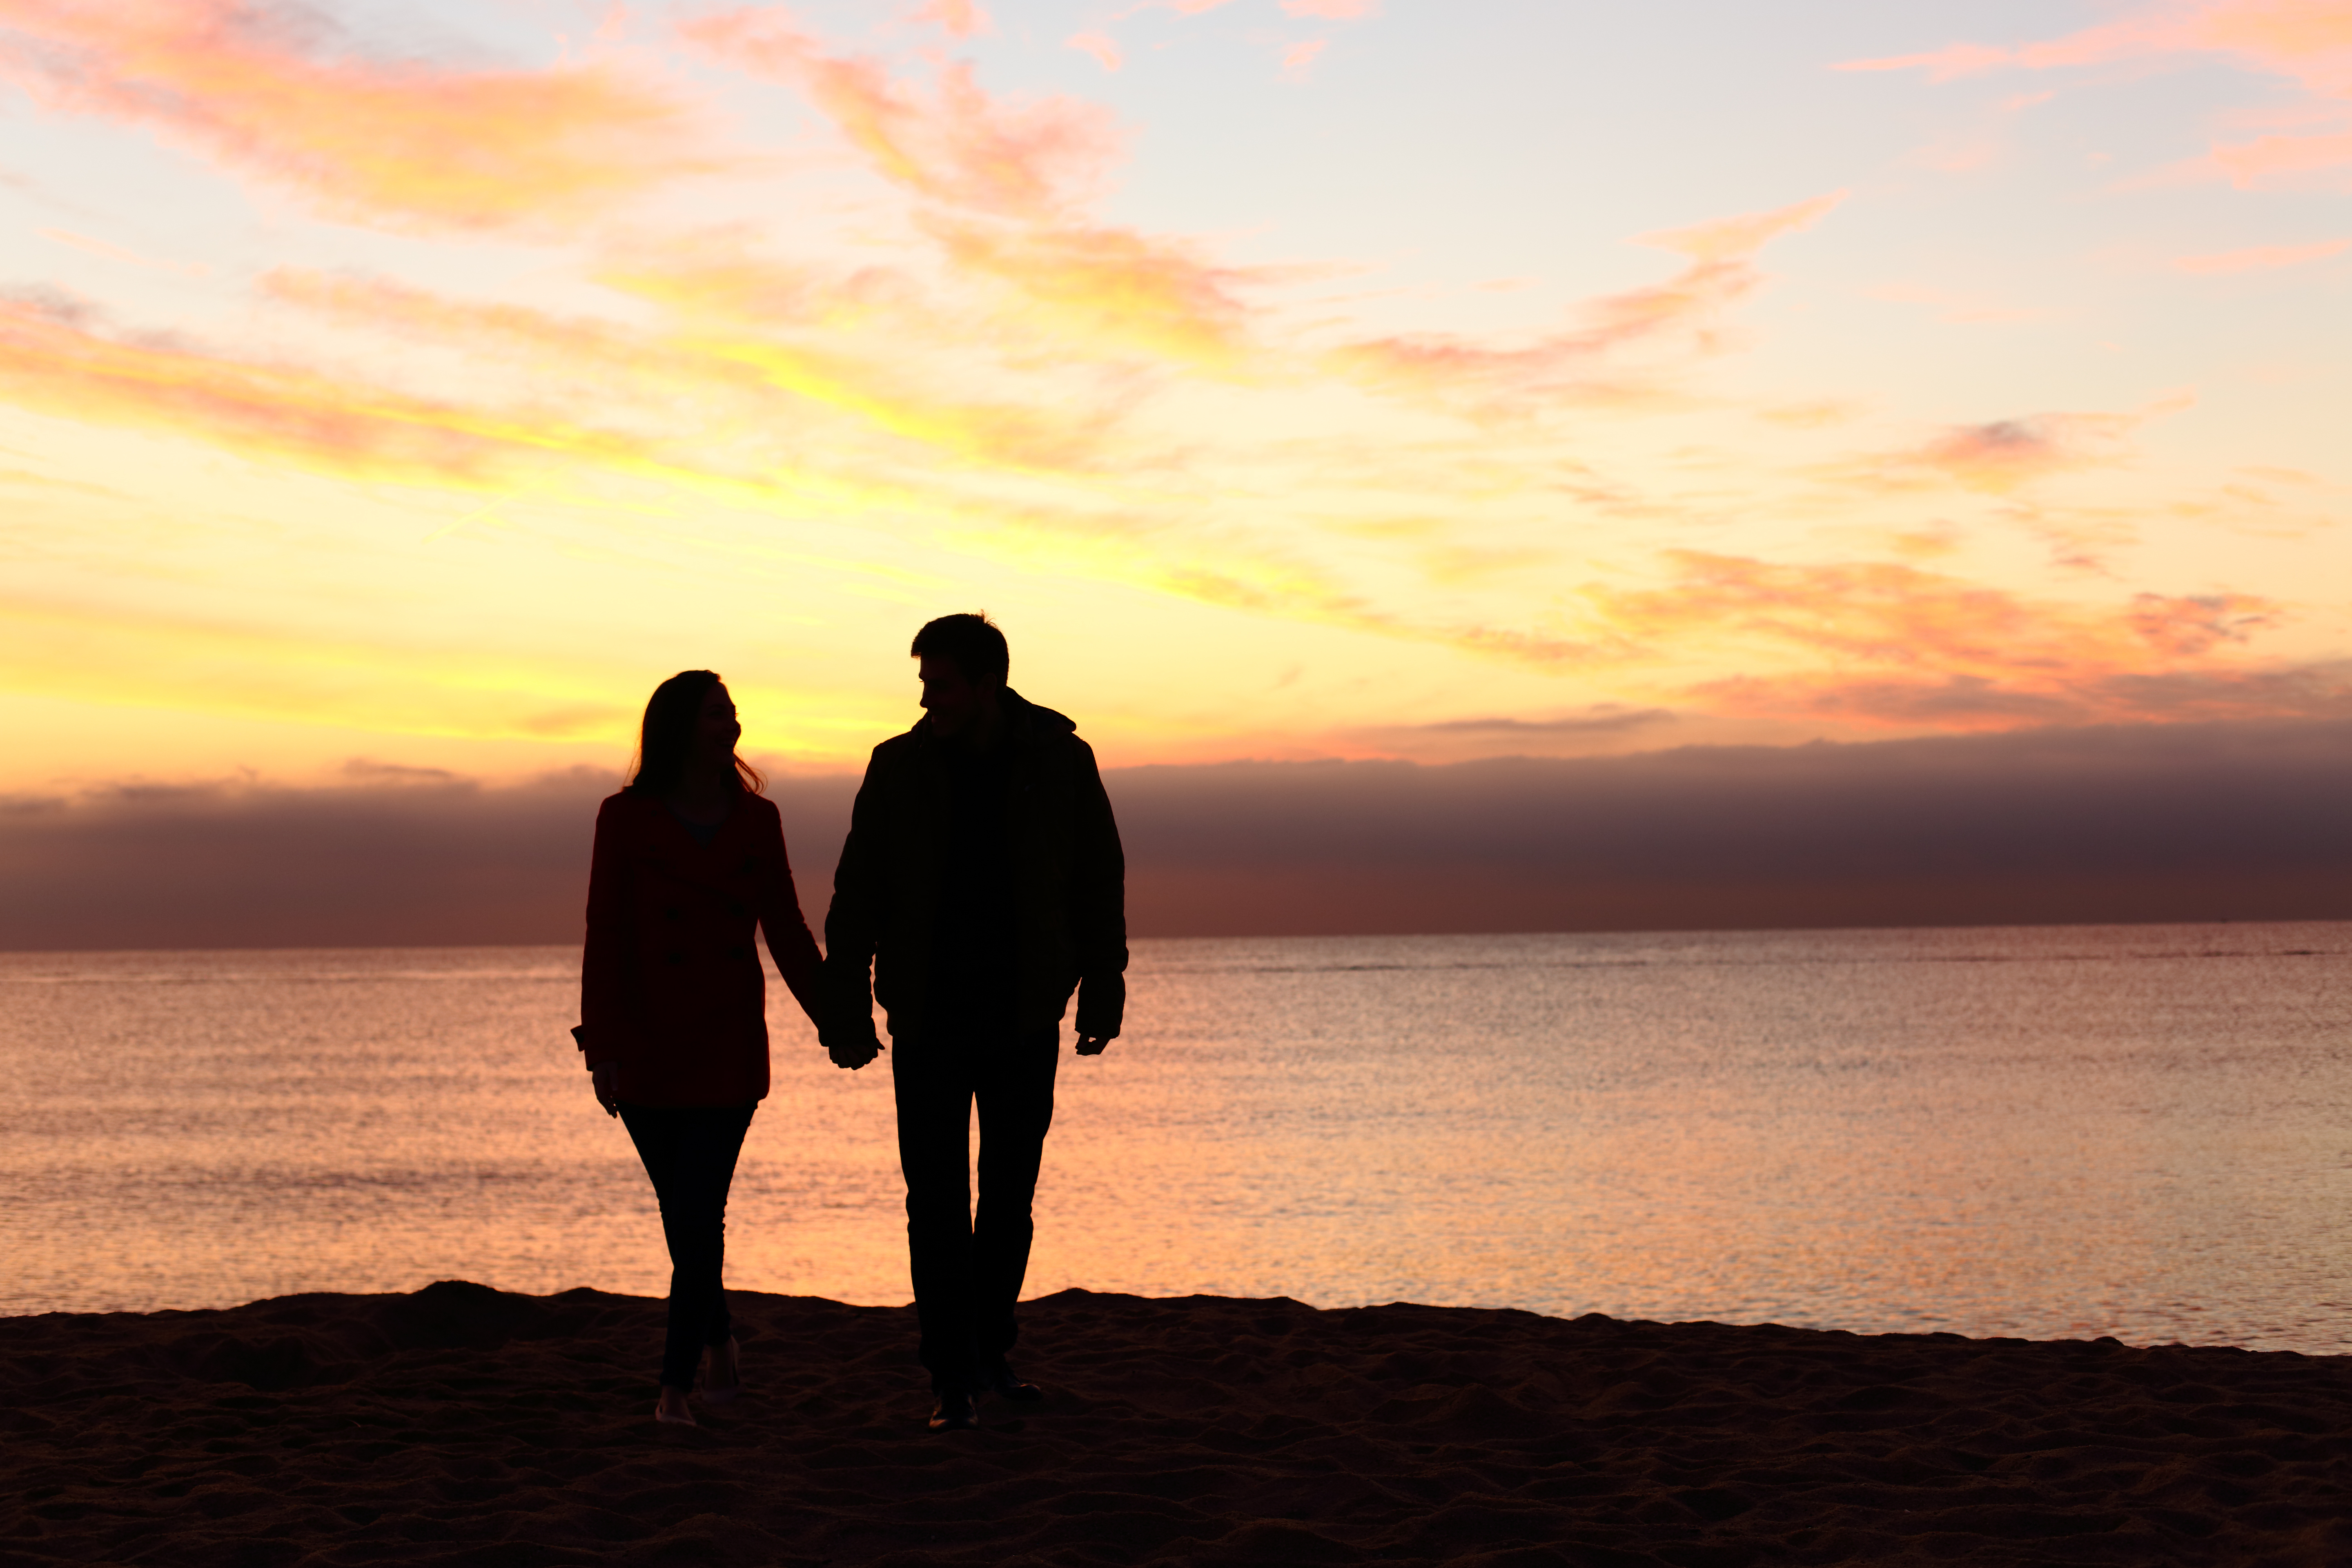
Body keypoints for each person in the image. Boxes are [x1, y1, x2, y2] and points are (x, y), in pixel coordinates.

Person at [824, 612, 1127, 1433]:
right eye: (924, 683)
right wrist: (844, 1011)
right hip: (926, 1015)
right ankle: (949, 1375)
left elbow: (1099, 878)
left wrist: (1104, 992)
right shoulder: (898, 768)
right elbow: (857, 897)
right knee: (935, 1201)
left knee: (1009, 1200)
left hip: (1025, 1011)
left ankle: (991, 1353)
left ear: (986, 685)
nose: (928, 699)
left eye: (941, 683)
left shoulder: (1062, 760)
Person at [577, 670, 867, 1428]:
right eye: (716, 715)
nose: (731, 726)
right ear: (679, 727)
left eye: (733, 714)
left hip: (726, 1044)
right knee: (686, 1217)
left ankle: (675, 1388)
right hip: (643, 1046)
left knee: (701, 1211)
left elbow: (788, 931)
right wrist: (601, 1046)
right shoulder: (624, 817)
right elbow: (605, 935)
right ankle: (722, 1340)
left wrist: (837, 1020)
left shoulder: (756, 821)